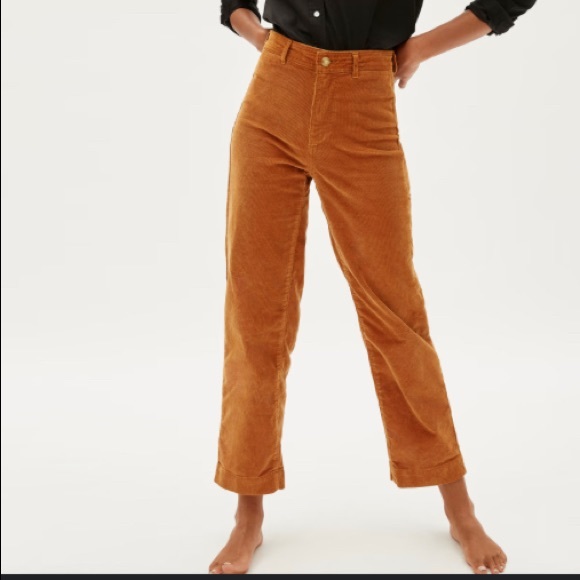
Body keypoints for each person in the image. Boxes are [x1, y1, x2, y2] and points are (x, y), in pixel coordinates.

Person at [211, 0, 536, 575]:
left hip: (363, 100)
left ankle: (460, 509)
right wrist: (256, 33)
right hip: (272, 96)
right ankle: (247, 513)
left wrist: (420, 48)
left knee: (396, 314)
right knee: (255, 313)